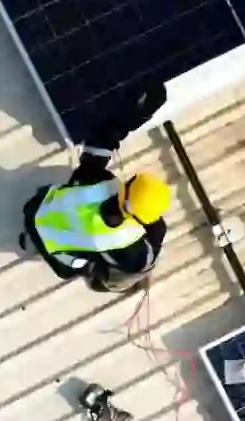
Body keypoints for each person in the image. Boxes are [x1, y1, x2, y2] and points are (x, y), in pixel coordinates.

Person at [20, 83, 171, 293]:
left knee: (74, 190)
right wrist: (157, 231)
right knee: (120, 277)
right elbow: (144, 263)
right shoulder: (125, 243)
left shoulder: (96, 179)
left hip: (36, 211)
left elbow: (103, 139)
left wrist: (135, 116)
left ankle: (35, 238)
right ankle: (94, 281)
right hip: (58, 254)